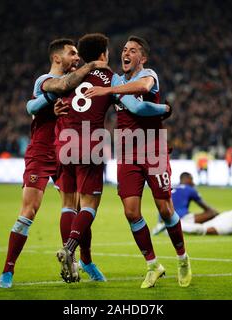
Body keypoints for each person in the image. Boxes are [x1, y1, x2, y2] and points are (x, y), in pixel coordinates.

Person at [52, 33, 171, 285]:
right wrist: (165, 109)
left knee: (67, 203)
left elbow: (51, 97)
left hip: (64, 141)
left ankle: (79, 260)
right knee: (88, 206)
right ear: (104, 54)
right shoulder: (109, 78)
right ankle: (72, 249)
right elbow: (137, 107)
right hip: (90, 141)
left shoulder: (71, 76)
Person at [0, 38, 109, 288]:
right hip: (40, 151)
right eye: (72, 53)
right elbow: (31, 106)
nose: (77, 58)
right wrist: (50, 101)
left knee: (77, 208)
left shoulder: (76, 80)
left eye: (79, 54)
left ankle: (84, 261)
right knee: (29, 211)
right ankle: (8, 270)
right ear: (57, 58)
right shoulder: (44, 80)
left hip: (65, 150)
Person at [85, 36, 191, 288]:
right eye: (124, 49)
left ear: (142, 58)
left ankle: (183, 258)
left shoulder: (149, 75)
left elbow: (140, 100)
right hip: (127, 153)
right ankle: (153, 265)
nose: (126, 53)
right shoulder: (116, 80)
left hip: (153, 149)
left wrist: (110, 91)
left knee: (165, 209)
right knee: (131, 212)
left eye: (132, 50)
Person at [152, 172, 218, 235]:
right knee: (212, 213)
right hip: (180, 217)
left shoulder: (171, 188)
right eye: (191, 179)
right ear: (187, 179)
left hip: (163, 218)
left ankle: (167, 226)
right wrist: (217, 214)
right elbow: (207, 208)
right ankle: (178, 226)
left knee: (185, 213)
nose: (193, 182)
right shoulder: (189, 189)